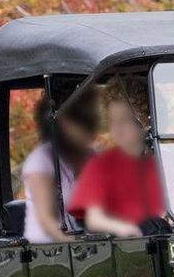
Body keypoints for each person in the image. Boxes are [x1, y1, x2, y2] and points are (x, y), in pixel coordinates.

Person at [69, 78, 165, 237]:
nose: (117, 129)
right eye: (114, 121)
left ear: (147, 120)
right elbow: (94, 218)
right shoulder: (100, 166)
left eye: (125, 120)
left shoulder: (169, 162)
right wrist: (123, 228)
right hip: (126, 248)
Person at [20, 92, 97, 243]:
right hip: (49, 250)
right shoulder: (41, 160)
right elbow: (48, 221)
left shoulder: (91, 156)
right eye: (81, 120)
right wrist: (81, 244)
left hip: (89, 239)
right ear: (62, 124)